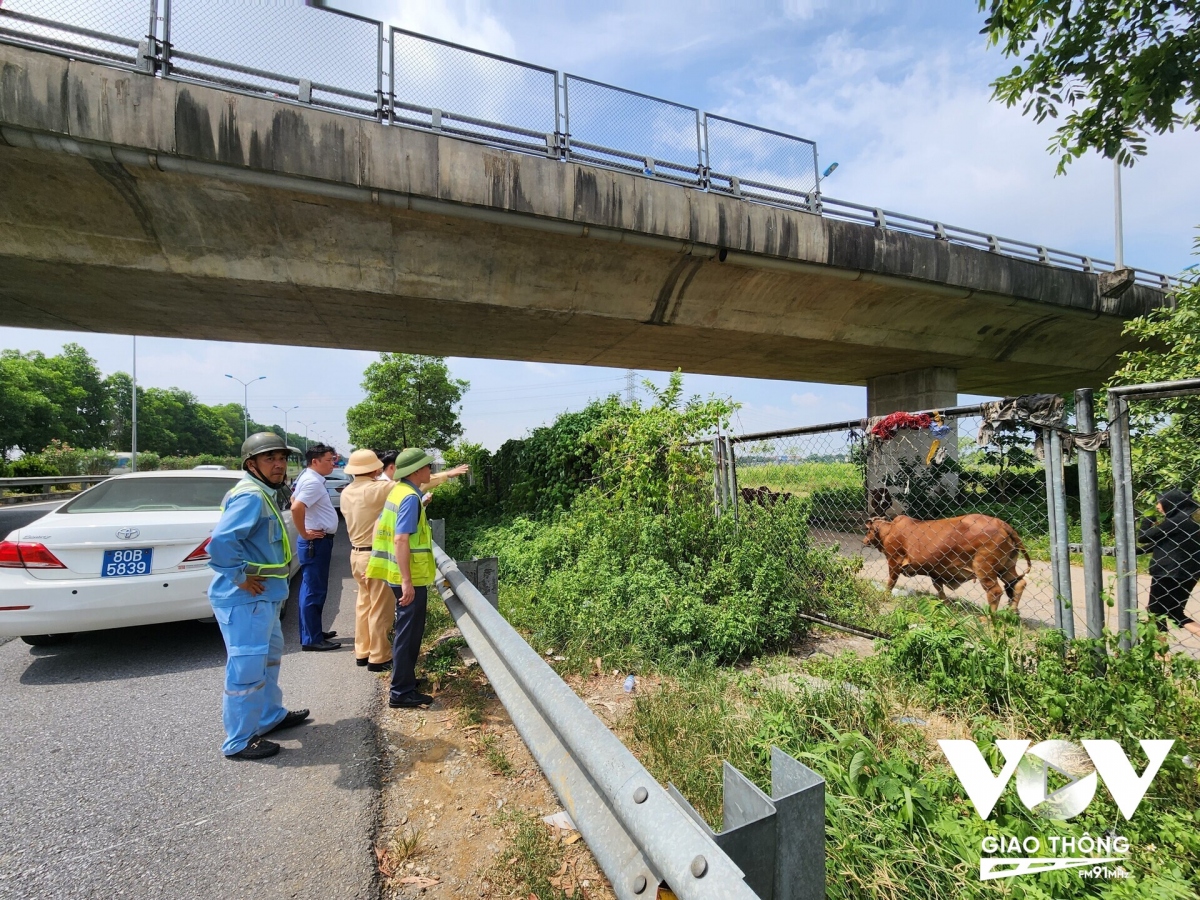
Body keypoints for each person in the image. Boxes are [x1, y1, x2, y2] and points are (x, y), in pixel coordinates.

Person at [207, 432, 309, 761]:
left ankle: (268, 717)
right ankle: (239, 740)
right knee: (247, 670)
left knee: (269, 660)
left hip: (266, 598)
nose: (279, 464)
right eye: (270, 459)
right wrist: (239, 577)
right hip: (247, 601)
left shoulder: (263, 493)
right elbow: (221, 543)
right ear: (252, 464)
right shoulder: (251, 496)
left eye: (281, 458)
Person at [366, 448, 438, 709]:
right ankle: (401, 691)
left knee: (408, 631)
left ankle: (405, 679)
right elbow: (400, 538)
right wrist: (407, 581)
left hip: (399, 574)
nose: (431, 470)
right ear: (417, 470)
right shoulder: (408, 498)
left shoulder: (399, 492)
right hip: (410, 577)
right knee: (408, 633)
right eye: (428, 466)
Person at [340, 449, 396, 672]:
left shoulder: (347, 492)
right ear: (375, 468)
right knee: (381, 607)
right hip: (375, 554)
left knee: (364, 604)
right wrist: (447, 475)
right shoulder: (377, 489)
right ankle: (379, 656)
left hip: (356, 554)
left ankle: (362, 651)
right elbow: (413, 486)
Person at [290, 443, 341, 651]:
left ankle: (314, 631)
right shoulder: (312, 482)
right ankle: (312, 639)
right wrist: (304, 532)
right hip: (315, 542)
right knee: (314, 590)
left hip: (317, 540)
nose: (332, 464)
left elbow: (294, 497)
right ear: (315, 461)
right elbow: (295, 506)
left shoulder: (307, 478)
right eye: (329, 460)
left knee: (311, 588)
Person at [1138, 488, 1200, 638]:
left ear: (1172, 503)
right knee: (1175, 613)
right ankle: (1162, 655)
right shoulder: (1191, 521)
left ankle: (1162, 655)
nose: (1158, 506)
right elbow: (1160, 544)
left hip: (1167, 572)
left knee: (1155, 611)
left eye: (1160, 502)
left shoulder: (1176, 521)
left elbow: (1144, 537)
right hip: (1188, 574)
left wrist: (1147, 521)